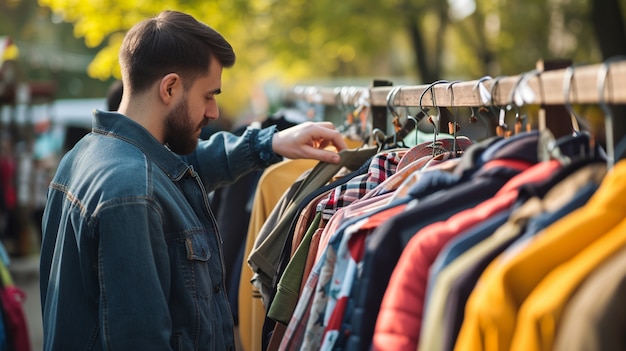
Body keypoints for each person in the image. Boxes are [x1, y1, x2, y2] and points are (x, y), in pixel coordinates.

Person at [39, 10, 347, 351]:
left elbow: (187, 164)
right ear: (170, 87)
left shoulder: (91, 155)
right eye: (209, 95)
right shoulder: (132, 194)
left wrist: (270, 143)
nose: (214, 112)